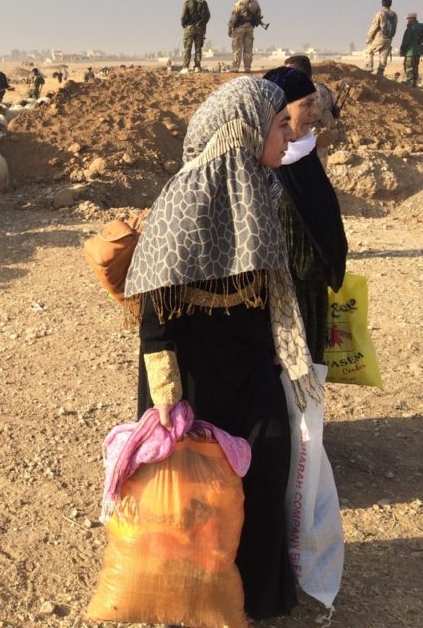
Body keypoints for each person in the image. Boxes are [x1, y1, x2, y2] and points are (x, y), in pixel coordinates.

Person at [125, 76, 319, 621]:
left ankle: (254, 598)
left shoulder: (262, 190)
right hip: (193, 383)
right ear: (245, 130)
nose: (288, 138)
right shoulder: (183, 201)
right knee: (193, 498)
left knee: (265, 473)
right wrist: (166, 399)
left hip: (253, 373)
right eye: (280, 127)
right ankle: (193, 597)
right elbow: (155, 317)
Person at [264, 66, 348, 364]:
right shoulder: (265, 165)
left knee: (311, 372)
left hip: (312, 288)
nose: (315, 112)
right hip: (280, 293)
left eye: (316, 102)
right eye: (307, 105)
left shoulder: (305, 152)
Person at [284, 54, 339, 166]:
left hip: (305, 154)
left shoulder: (304, 95)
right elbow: (334, 109)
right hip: (318, 152)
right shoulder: (324, 90)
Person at [228, 0, 263, 73]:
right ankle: (247, 68)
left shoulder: (238, 3)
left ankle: (235, 67)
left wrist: (230, 27)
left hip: (239, 28)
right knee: (248, 48)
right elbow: (258, 15)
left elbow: (233, 17)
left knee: (237, 48)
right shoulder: (255, 3)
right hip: (250, 27)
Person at [179, 0, 210, 73]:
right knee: (198, 48)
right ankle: (197, 66)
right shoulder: (203, 3)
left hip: (189, 28)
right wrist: (202, 24)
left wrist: (184, 26)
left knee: (187, 47)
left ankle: (185, 67)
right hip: (199, 28)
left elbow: (182, 16)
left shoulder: (187, 3)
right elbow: (207, 16)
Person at [364, 0, 397, 76]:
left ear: (382, 4)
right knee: (383, 55)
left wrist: (368, 37)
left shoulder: (380, 13)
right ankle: (380, 71)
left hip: (380, 37)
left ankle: (369, 66)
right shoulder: (394, 15)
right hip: (389, 38)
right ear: (390, 4)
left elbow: (374, 26)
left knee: (369, 51)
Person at [399, 11, 422, 87]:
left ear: (412, 19)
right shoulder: (421, 26)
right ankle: (414, 83)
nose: (407, 21)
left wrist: (402, 50)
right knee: (415, 67)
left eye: (408, 19)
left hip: (410, 51)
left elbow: (406, 41)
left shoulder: (411, 28)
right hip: (418, 51)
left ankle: (410, 82)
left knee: (408, 66)